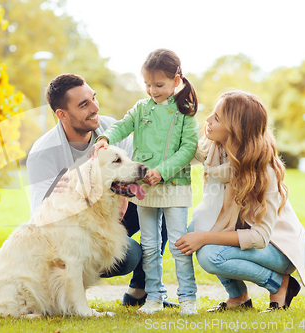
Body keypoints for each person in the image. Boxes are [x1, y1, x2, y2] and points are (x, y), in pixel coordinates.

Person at [26, 73, 176, 308]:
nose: (94, 107)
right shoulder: (43, 153)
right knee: (130, 255)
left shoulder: (111, 129)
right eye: (83, 105)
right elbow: (40, 219)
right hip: (72, 229)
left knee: (164, 204)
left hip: (112, 209)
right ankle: (71, 290)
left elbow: (133, 171)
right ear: (61, 114)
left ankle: (140, 291)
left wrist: (123, 194)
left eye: (93, 98)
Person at [175, 91, 305, 312]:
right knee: (197, 226)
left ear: (236, 130)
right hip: (245, 234)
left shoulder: (263, 169)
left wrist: (203, 237)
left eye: (217, 118)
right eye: (212, 114)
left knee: (210, 255)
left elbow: (260, 237)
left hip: (277, 248)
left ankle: (280, 284)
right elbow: (181, 152)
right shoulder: (216, 148)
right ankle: (239, 298)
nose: (208, 120)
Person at [94, 49, 199, 315]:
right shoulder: (141, 109)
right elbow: (121, 125)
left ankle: (188, 298)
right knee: (150, 246)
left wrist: (162, 171)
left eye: (159, 85)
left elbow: (187, 149)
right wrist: (105, 138)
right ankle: (154, 296)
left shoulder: (185, 112)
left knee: (178, 244)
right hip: (145, 191)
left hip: (174, 188)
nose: (152, 90)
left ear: (177, 80)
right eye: (148, 84)